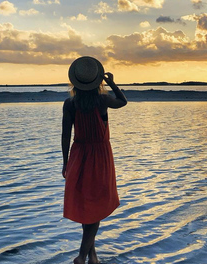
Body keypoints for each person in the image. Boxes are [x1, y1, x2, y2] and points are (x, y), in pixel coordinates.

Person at [62, 56, 127, 264]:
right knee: (95, 206)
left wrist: (65, 162)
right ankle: (81, 256)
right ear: (97, 80)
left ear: (76, 81)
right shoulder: (102, 100)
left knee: (88, 207)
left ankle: (92, 255)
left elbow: (65, 135)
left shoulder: (70, 103)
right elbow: (123, 101)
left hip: (78, 155)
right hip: (100, 156)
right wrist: (112, 83)